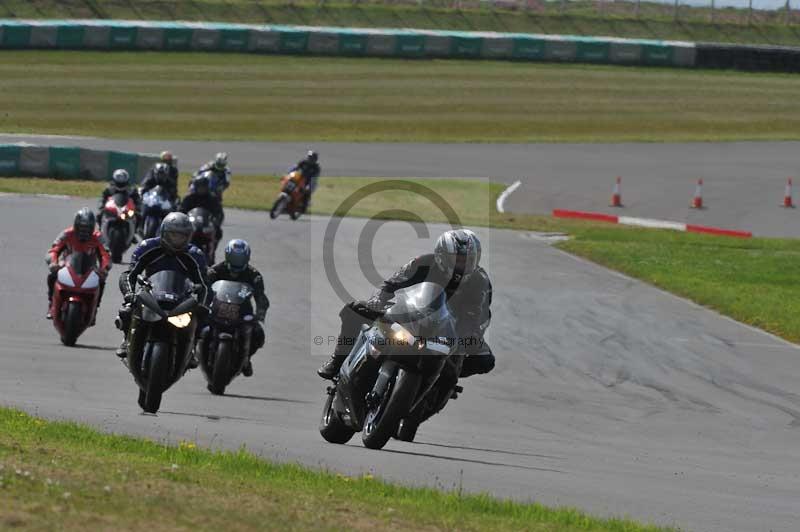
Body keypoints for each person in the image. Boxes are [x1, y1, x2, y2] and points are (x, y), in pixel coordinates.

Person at [317, 229, 494, 380]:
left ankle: (441, 380)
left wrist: (469, 337)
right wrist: (378, 302)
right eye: (457, 260)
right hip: (411, 314)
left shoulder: (480, 281)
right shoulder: (423, 262)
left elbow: (479, 316)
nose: (462, 266)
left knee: (485, 360)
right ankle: (338, 360)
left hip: (450, 329)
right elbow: (391, 284)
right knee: (354, 309)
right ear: (441, 255)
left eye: (467, 260)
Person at [115, 212, 209, 358]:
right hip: (151, 293)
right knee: (126, 311)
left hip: (181, 297)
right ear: (164, 232)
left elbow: (204, 285)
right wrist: (129, 294)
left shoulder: (195, 255)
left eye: (181, 236)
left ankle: (191, 348)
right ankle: (126, 339)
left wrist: (202, 305)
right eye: (173, 235)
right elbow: (129, 274)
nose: (177, 240)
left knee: (203, 319)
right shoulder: (148, 246)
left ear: (188, 236)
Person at [203, 239, 269, 377]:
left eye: (240, 258)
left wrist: (260, 312)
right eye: (234, 257)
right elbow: (204, 287)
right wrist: (203, 304)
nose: (236, 261)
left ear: (247, 258)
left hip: (242, 312)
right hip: (217, 309)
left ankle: (246, 359)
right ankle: (192, 354)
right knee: (200, 327)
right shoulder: (215, 270)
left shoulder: (254, 275)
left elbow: (261, 296)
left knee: (258, 334)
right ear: (227, 256)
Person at [46, 208, 111, 319]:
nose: (84, 232)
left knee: (101, 281)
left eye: (87, 229)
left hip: (90, 267)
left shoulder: (98, 237)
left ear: (92, 228)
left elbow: (106, 254)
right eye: (81, 228)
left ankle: (94, 309)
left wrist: (104, 268)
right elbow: (54, 249)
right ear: (76, 226)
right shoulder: (66, 234)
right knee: (52, 276)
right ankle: (52, 304)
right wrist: (53, 263)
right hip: (67, 265)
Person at [180, 173, 224, 242]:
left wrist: (216, 222)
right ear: (196, 187)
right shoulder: (189, 198)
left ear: (207, 187)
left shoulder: (212, 199)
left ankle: (212, 249)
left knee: (218, 232)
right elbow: (181, 210)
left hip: (207, 225)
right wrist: (182, 218)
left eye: (203, 187)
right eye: (199, 187)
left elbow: (219, 213)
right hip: (191, 225)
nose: (201, 189)